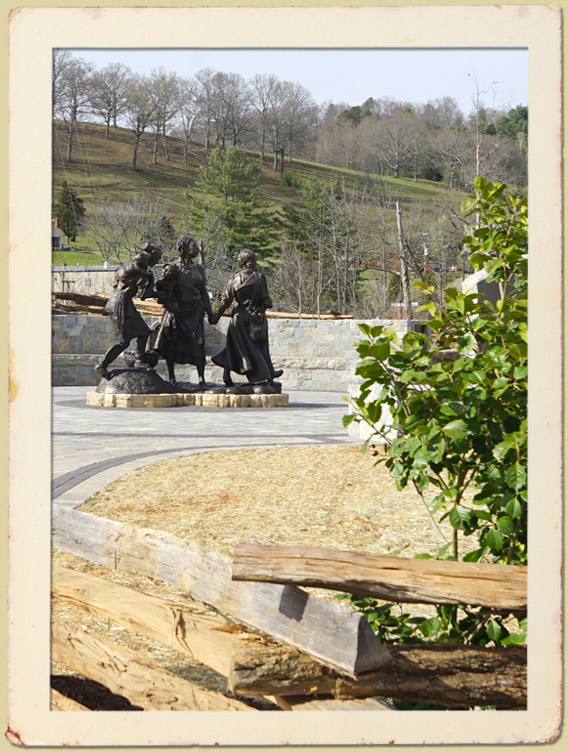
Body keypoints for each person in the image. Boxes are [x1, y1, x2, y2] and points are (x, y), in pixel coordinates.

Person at [211, 248, 283, 386]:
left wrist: (216, 316)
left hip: (239, 317)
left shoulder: (234, 278)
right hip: (255, 317)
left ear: (243, 261)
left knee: (233, 346)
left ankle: (228, 376)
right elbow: (267, 301)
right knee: (261, 346)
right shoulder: (259, 278)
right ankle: (269, 374)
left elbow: (226, 301)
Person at [154, 236, 215, 387]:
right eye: (193, 246)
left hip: (195, 311)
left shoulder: (198, 268)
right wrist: (171, 306)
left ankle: (201, 378)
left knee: (198, 344)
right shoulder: (173, 268)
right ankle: (171, 377)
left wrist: (210, 311)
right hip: (177, 312)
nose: (197, 249)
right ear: (184, 249)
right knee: (172, 344)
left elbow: (203, 292)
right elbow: (164, 292)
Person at [96, 243, 162, 379]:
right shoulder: (141, 275)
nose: (158, 262)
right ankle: (102, 365)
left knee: (144, 332)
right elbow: (143, 294)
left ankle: (139, 360)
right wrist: (161, 294)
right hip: (121, 306)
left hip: (124, 304)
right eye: (157, 259)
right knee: (123, 341)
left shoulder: (130, 267)